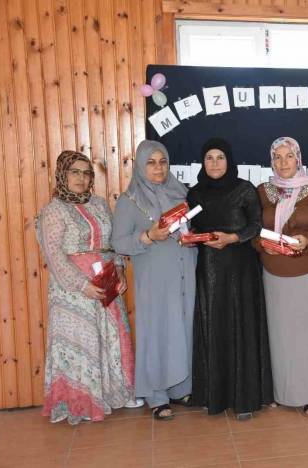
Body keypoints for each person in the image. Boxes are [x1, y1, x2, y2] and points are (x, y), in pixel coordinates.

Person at [37, 150, 137, 425]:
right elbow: (54, 254)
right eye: (75, 172)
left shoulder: (100, 204)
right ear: (62, 175)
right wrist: (82, 286)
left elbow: (112, 240)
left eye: (86, 173)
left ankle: (113, 393)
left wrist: (119, 270)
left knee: (110, 337)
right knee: (83, 341)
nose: (81, 178)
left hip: (105, 279)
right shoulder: (53, 210)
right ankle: (81, 400)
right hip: (72, 289)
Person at [187, 138, 273, 418]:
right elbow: (192, 229)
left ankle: (245, 399)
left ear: (229, 160)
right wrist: (190, 240)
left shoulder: (244, 189)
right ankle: (216, 395)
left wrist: (232, 238)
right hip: (210, 271)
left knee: (242, 326)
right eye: (209, 158)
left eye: (220, 157)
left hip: (241, 268)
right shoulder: (195, 193)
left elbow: (256, 225)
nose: (214, 163)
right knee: (215, 327)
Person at [111, 140, 197, 421]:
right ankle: (156, 395)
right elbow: (119, 243)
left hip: (186, 270)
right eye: (151, 162)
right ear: (139, 165)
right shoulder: (130, 200)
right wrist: (148, 236)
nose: (158, 168)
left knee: (183, 327)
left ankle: (181, 387)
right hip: (154, 278)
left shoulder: (180, 192)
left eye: (162, 162)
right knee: (157, 331)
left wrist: (193, 237)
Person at [254, 137, 308, 418]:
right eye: (277, 157)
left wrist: (307, 240)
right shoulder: (262, 192)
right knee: (282, 338)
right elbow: (252, 230)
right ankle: (283, 392)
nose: (283, 162)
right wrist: (261, 243)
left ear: (298, 158)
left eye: (288, 156)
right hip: (275, 274)